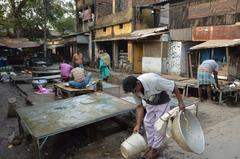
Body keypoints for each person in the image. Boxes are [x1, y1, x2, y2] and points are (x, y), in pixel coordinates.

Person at [122, 73, 185, 159]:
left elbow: (173, 85)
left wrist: (180, 102)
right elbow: (139, 106)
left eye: (134, 90)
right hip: (150, 102)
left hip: (163, 101)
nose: (134, 92)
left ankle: (155, 149)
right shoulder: (134, 90)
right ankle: (151, 146)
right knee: (147, 123)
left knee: (160, 126)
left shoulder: (154, 81)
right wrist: (137, 125)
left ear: (138, 83)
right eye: (132, 91)